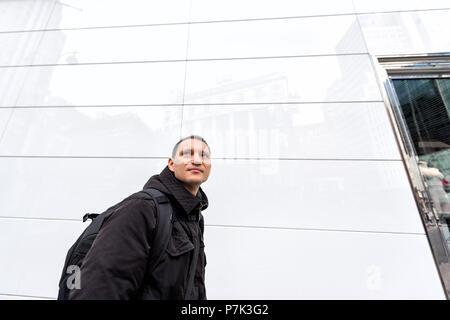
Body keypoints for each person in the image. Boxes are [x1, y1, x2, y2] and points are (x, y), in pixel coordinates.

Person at [69, 135, 212, 300]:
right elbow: (99, 289)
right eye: (187, 154)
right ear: (171, 164)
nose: (196, 160)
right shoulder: (143, 208)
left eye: (204, 155)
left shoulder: (194, 218)